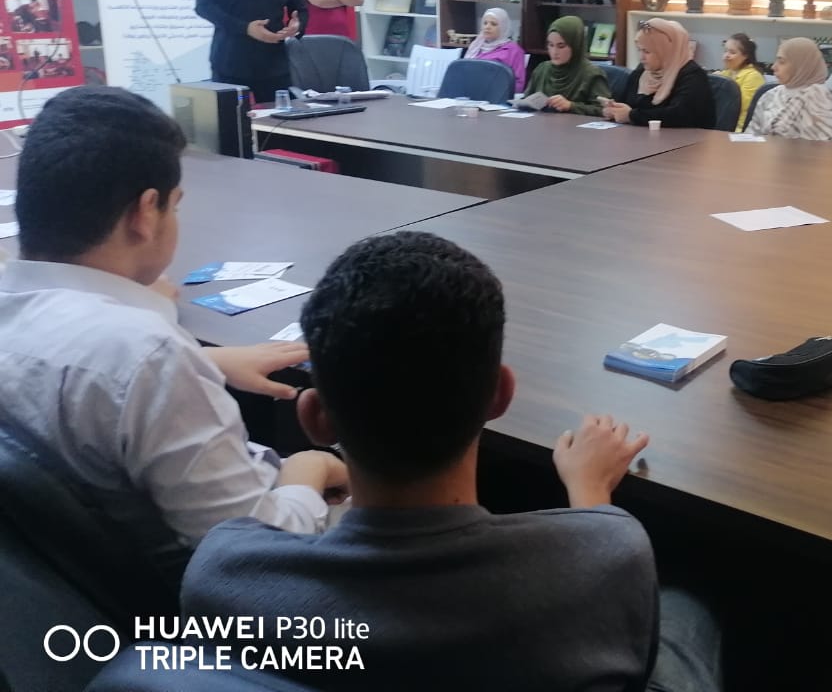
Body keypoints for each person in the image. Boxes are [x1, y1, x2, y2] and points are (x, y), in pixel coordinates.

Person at [181, 231, 721, 691]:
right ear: (500, 395)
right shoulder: (610, 554)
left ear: (315, 418)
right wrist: (592, 494)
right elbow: (604, 565)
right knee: (687, 606)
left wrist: (303, 475)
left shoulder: (220, 574)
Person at [0, 86, 347, 578]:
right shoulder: (147, 355)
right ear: (145, 213)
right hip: (207, 588)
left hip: (60, 577)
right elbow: (257, 557)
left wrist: (204, 361)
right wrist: (307, 471)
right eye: (175, 206)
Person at [603, 17, 716, 128]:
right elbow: (626, 103)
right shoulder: (642, 71)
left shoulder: (693, 76)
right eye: (639, 50)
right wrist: (614, 109)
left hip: (685, 139)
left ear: (665, 51)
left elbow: (678, 116)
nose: (641, 58)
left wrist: (631, 115)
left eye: (647, 51)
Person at [745, 37, 832, 141]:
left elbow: (818, 146)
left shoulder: (818, 97)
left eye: (781, 62)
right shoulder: (771, 94)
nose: (774, 67)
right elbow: (750, 135)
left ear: (801, 65)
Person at [523, 15, 611, 115]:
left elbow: (605, 110)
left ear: (575, 45)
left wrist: (571, 106)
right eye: (551, 45)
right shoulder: (541, 69)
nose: (554, 52)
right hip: (541, 123)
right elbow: (526, 100)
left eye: (561, 46)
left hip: (576, 125)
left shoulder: (592, 74)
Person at [465, 7, 527, 92]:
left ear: (503, 27)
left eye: (493, 24)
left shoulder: (514, 50)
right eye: (485, 23)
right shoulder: (475, 46)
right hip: (470, 92)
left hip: (498, 94)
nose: (487, 27)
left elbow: (518, 84)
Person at [716, 32, 766, 132]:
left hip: (738, 129)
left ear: (745, 55)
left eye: (732, 52)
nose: (726, 56)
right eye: (725, 51)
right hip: (719, 125)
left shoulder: (753, 76)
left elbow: (741, 110)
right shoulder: (725, 74)